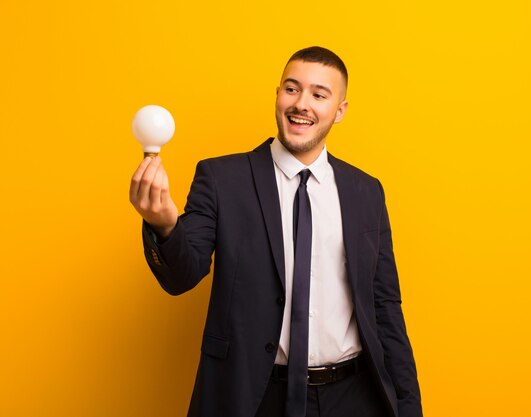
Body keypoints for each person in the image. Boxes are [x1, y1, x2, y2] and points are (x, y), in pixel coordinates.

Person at [129, 46, 423, 417]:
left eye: (319, 95)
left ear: (340, 110)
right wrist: (164, 224)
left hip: (353, 397)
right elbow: (182, 276)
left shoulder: (366, 191)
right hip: (255, 396)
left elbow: (385, 309)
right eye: (291, 88)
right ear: (278, 95)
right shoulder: (222, 179)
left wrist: (410, 407)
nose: (302, 104)